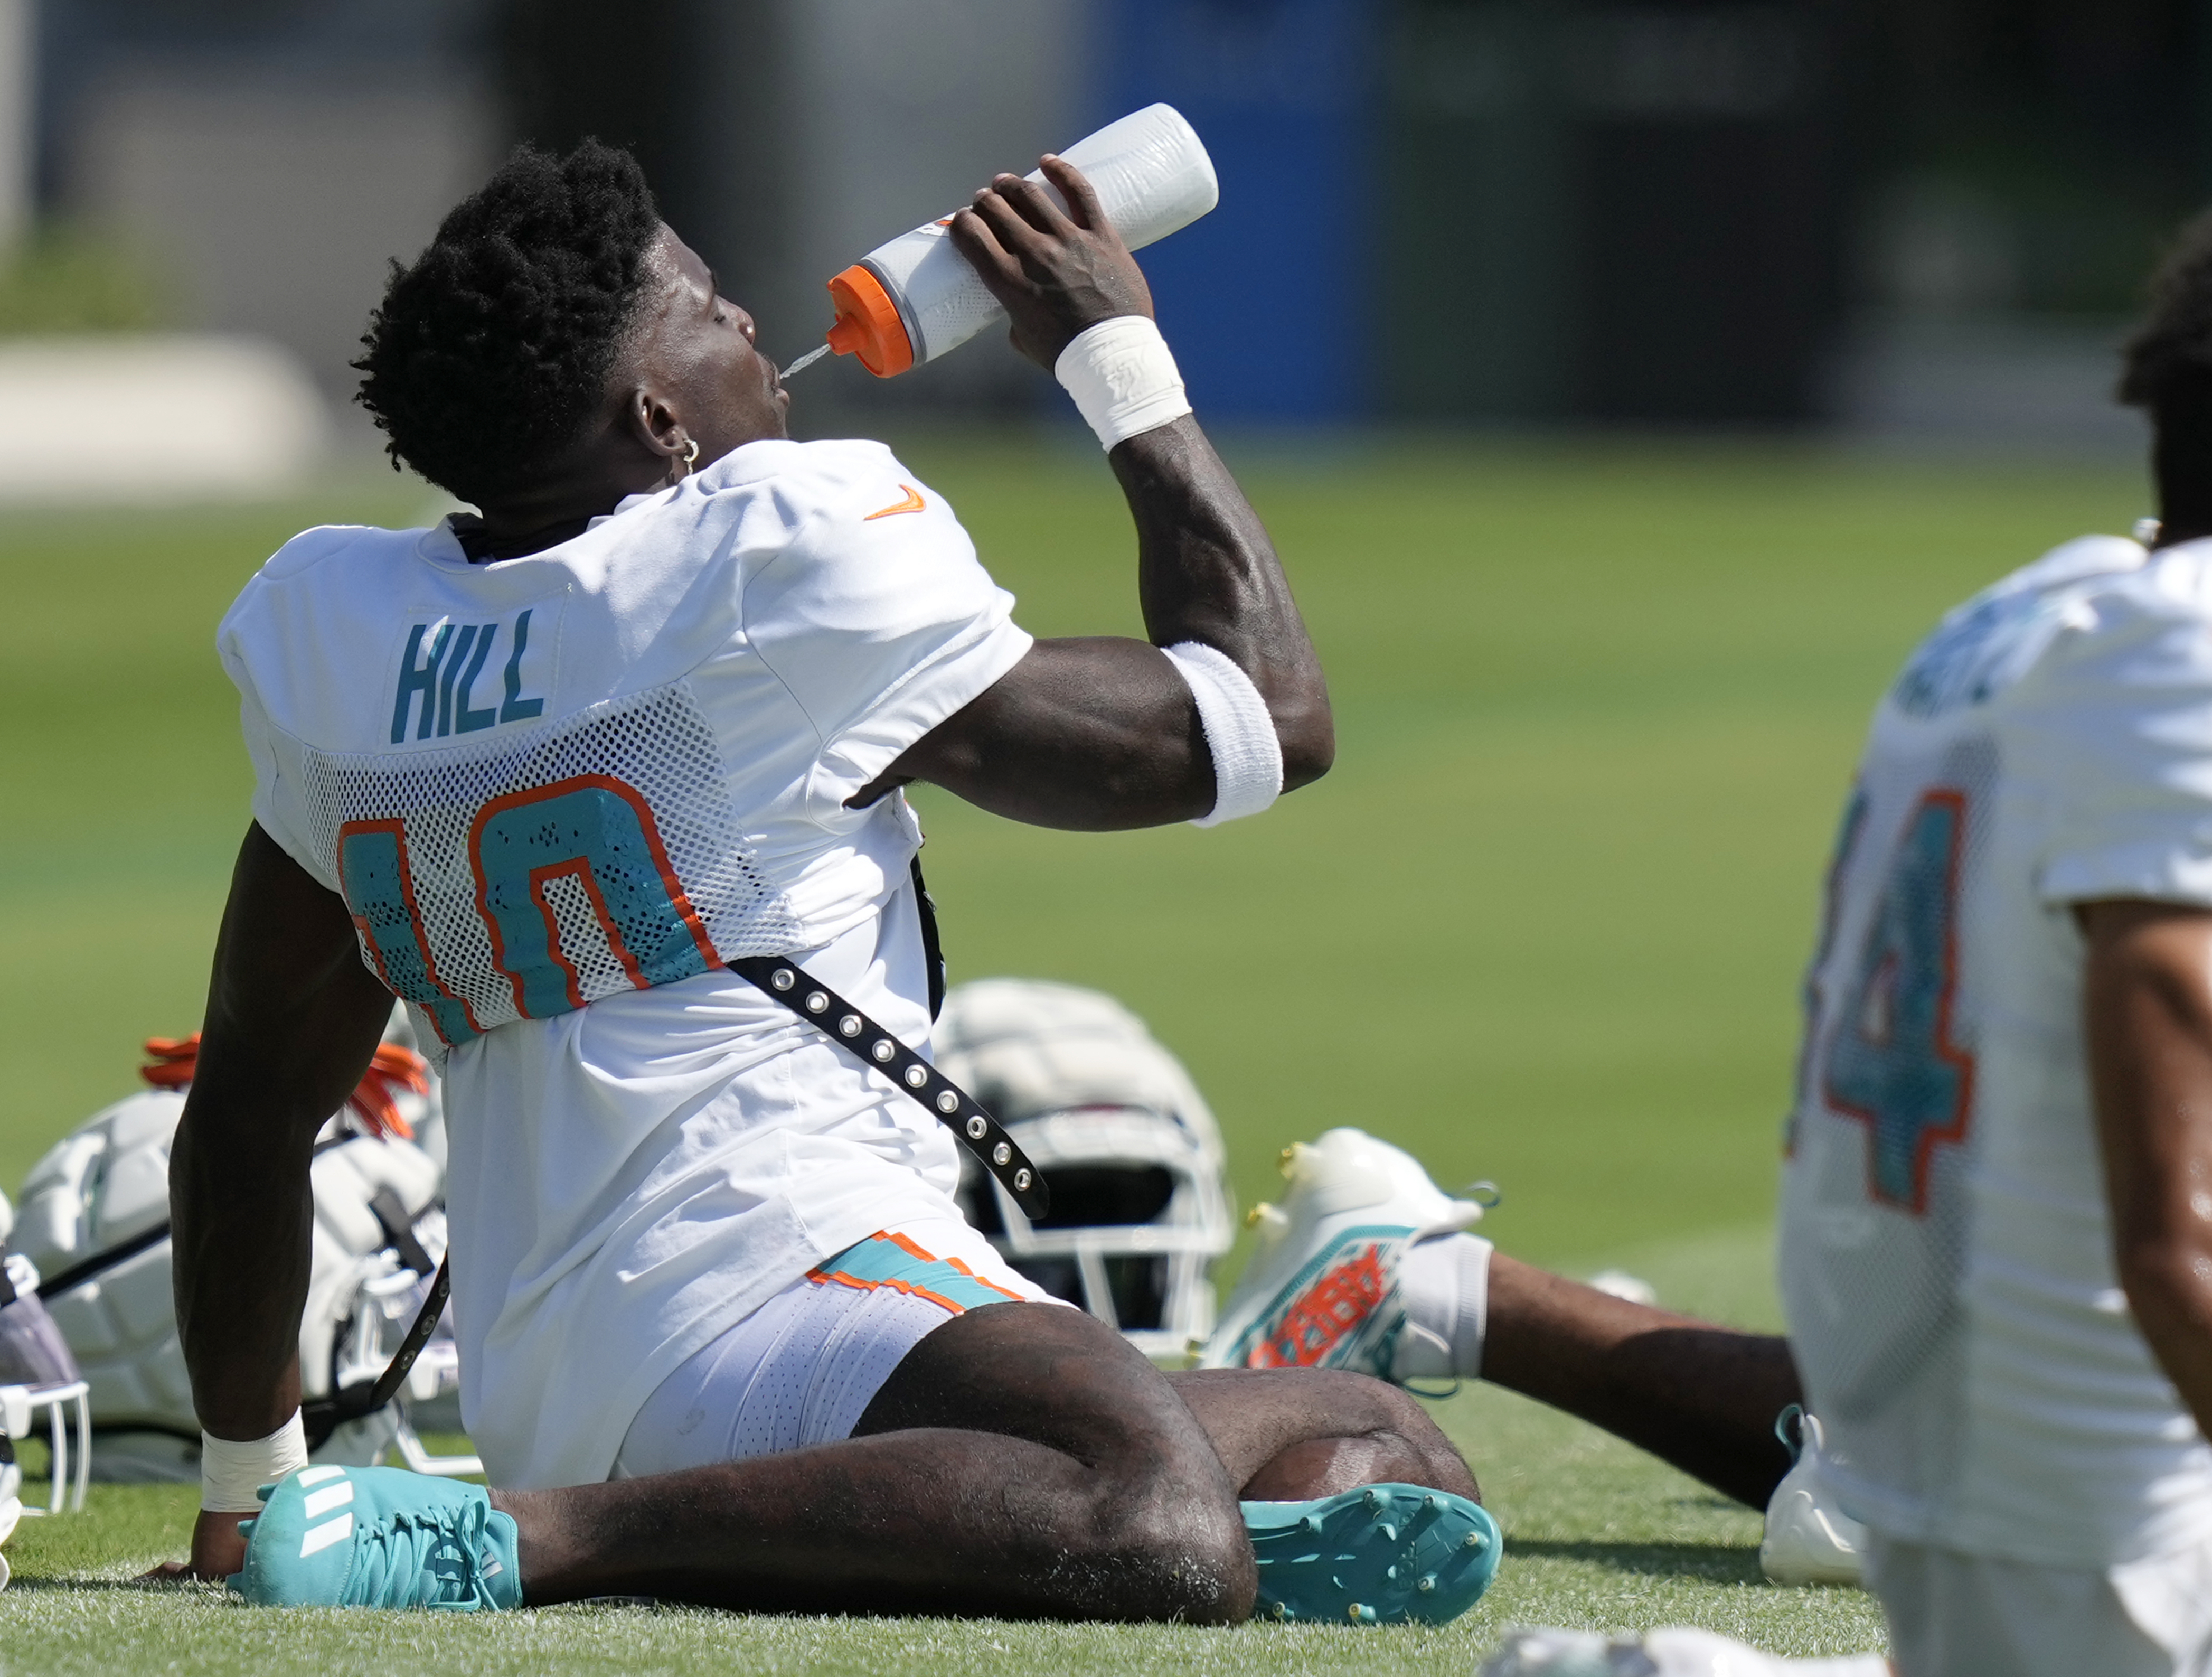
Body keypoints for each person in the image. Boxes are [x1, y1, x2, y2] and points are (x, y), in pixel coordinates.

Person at [161, 139, 1503, 1624]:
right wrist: (1113, 352)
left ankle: (820, 1518)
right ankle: (535, 1544)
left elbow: (251, 1104)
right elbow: (1258, 721)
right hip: (776, 1274)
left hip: (557, 1367)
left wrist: (246, 1491)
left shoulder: (341, 631)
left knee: (1382, 1450)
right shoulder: (768, 556)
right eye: (705, 304)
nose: (746, 325)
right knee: (1151, 1512)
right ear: (660, 420)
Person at [1251, 217, 2212, 1676]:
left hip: (1935, 1427)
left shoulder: (2033, 614)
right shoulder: (2180, 665)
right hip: (2091, 1499)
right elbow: (2178, 1238)